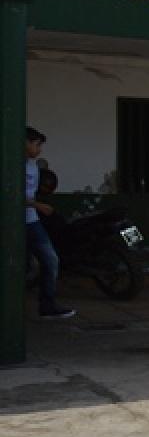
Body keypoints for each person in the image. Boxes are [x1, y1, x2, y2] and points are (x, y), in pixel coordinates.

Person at [23, 126, 73, 319]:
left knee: (50, 260)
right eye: (36, 145)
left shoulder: (33, 166)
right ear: (25, 143)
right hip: (18, 222)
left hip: (32, 221)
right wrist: (37, 205)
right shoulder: (12, 163)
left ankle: (47, 305)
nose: (39, 149)